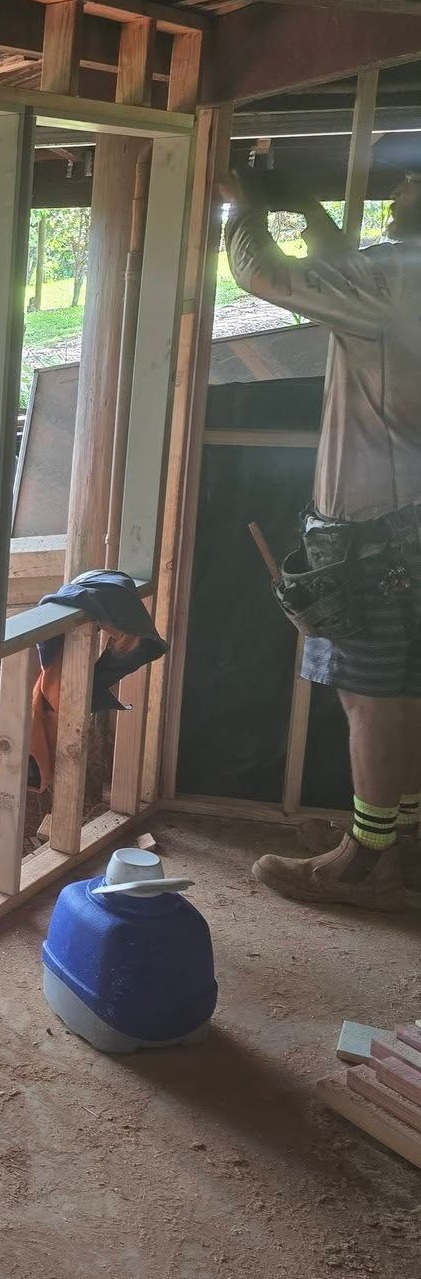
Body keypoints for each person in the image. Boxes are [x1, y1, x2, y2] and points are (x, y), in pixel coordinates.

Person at [222, 169, 421, 910]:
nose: (402, 183)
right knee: (407, 688)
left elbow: (261, 273)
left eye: (416, 179)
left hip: (378, 528)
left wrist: (243, 208)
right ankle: (403, 838)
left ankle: (367, 861)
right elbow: (352, 282)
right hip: (412, 524)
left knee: (369, 695)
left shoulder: (395, 276)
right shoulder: (395, 278)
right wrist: (312, 213)